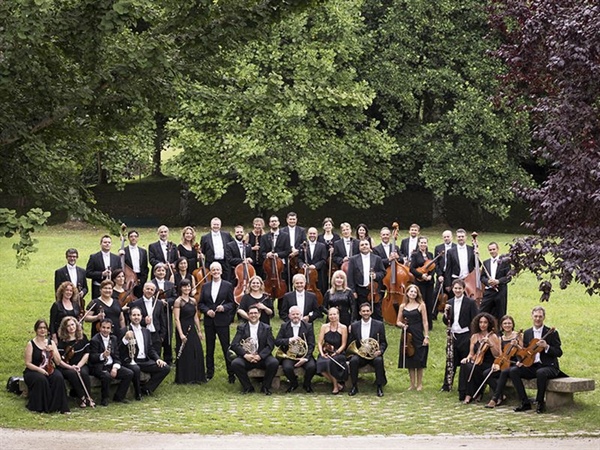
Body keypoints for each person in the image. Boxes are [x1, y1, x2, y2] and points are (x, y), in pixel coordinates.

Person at [509, 306, 564, 414]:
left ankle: (540, 402)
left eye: (540, 316)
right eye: (535, 316)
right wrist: (521, 360)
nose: (537, 319)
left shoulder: (551, 333)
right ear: (532, 317)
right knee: (513, 371)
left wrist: (547, 347)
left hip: (549, 366)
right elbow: (525, 351)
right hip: (532, 365)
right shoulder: (528, 333)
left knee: (541, 372)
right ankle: (525, 402)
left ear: (544, 317)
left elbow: (559, 352)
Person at [119, 307, 171, 398]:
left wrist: (158, 359)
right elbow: (119, 349)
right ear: (130, 317)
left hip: (145, 361)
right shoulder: (124, 331)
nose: (136, 317)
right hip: (132, 360)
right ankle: (138, 394)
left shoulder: (146, 331)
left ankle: (147, 388)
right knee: (136, 369)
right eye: (134, 315)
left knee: (165, 368)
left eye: (138, 315)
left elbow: (150, 349)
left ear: (141, 316)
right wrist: (125, 339)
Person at [198, 262, 236, 383]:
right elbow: (201, 304)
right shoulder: (205, 286)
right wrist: (207, 311)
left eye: (217, 270)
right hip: (209, 321)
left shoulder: (228, 285)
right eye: (213, 270)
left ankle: (231, 374)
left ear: (221, 271)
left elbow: (232, 303)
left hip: (222, 321)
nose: (215, 272)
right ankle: (209, 373)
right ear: (210, 272)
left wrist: (223, 308)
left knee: (226, 348)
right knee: (210, 348)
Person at [23, 319, 70, 414]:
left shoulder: (51, 343)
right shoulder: (31, 344)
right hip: (34, 370)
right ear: (36, 330)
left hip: (49, 367)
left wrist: (53, 350)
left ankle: (57, 406)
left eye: (44, 328)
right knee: (41, 380)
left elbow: (57, 361)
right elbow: (28, 363)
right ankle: (41, 407)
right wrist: (39, 370)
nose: (42, 330)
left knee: (58, 377)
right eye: (40, 328)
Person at [230, 305, 279, 395]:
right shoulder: (242, 328)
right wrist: (245, 355)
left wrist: (260, 356)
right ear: (248, 315)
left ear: (259, 314)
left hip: (262, 357)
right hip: (247, 357)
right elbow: (234, 344)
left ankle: (265, 387)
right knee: (235, 363)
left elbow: (270, 345)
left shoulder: (266, 328)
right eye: (251, 313)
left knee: (274, 363)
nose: (253, 315)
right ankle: (248, 387)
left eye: (255, 313)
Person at [440, 279, 479, 393]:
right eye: (455, 288)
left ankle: (465, 386)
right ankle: (447, 384)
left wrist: (472, 336)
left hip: (465, 334)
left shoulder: (470, 302)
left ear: (463, 289)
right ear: (452, 289)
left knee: (465, 361)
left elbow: (475, 319)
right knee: (450, 359)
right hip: (453, 334)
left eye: (459, 288)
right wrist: (445, 313)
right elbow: (445, 321)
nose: (457, 290)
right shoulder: (450, 302)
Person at [89, 318, 134, 406]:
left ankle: (119, 396)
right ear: (100, 328)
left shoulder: (113, 338)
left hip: (111, 365)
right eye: (103, 327)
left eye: (108, 328)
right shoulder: (95, 340)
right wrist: (102, 355)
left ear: (111, 329)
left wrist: (115, 367)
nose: (105, 330)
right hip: (99, 366)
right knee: (106, 376)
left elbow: (117, 355)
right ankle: (104, 398)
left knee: (129, 373)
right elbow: (92, 357)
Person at [459, 313, 501, 404]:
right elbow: (471, 353)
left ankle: (471, 394)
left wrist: (490, 344)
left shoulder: (493, 336)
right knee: (465, 365)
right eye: (481, 322)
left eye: (485, 322)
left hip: (488, 363)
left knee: (474, 368)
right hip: (477, 360)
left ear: (489, 324)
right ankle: (466, 393)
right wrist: (467, 358)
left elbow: (497, 355)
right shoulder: (474, 336)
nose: (483, 325)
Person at [347, 302, 387, 397]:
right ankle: (354, 386)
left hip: (373, 355)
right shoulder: (354, 325)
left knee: (379, 361)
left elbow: (383, 342)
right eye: (363, 311)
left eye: (367, 311)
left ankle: (379, 387)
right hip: (361, 355)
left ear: (371, 312)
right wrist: (355, 352)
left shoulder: (379, 325)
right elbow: (351, 341)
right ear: (360, 313)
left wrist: (380, 351)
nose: (366, 313)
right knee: (353, 361)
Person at [275, 306, 317, 393]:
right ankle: (294, 383)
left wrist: (305, 358)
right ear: (289, 316)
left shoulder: (308, 326)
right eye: (293, 314)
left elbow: (311, 344)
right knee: (287, 368)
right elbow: (277, 341)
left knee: (312, 367)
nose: (295, 316)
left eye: (297, 314)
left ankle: (307, 384)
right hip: (289, 355)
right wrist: (289, 340)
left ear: (301, 315)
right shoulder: (284, 326)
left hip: (304, 355)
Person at [484, 315, 523, 409]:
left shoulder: (519, 335)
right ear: (501, 326)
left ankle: (495, 398)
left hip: (516, 364)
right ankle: (501, 395)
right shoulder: (501, 338)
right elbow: (501, 355)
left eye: (509, 323)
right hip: (505, 362)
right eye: (505, 323)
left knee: (504, 372)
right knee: (487, 373)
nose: (507, 325)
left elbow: (523, 352)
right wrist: (496, 364)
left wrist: (517, 346)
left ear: (513, 324)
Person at [396, 284, 429, 391]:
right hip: (407, 334)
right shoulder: (403, 306)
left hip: (418, 333)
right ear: (407, 293)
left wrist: (426, 336)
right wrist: (402, 325)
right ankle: (412, 384)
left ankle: (419, 384)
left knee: (419, 360)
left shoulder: (421, 305)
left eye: (415, 292)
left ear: (417, 294)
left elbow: (425, 322)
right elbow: (398, 321)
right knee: (409, 359)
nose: (413, 293)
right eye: (411, 291)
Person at [173, 280, 206, 384]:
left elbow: (196, 316)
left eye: (188, 287)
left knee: (197, 351)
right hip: (182, 327)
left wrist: (199, 331)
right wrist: (181, 334)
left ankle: (196, 377)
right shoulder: (178, 301)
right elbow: (177, 319)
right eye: (184, 287)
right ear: (181, 288)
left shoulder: (193, 300)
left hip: (192, 328)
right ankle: (184, 378)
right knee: (185, 353)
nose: (187, 289)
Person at [56, 317, 93, 408]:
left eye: (72, 324)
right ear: (65, 328)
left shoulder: (82, 337)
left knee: (84, 373)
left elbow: (87, 353)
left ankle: (89, 396)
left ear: (76, 325)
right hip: (66, 366)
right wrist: (70, 367)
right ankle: (81, 397)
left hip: (81, 363)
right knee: (73, 374)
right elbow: (59, 360)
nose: (71, 327)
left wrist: (79, 365)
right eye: (68, 326)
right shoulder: (62, 342)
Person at [347, 239, 385, 321]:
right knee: (359, 311)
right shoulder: (353, 259)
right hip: (359, 289)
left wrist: (376, 275)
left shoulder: (377, 258)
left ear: (370, 246)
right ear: (359, 247)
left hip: (373, 290)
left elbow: (383, 272)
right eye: (362, 245)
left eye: (366, 244)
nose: (364, 246)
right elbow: (350, 276)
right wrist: (353, 291)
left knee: (376, 312)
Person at [129, 282, 168, 355]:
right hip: (142, 334)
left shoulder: (159, 303)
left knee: (157, 355)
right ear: (143, 290)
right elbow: (132, 319)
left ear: (154, 292)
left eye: (152, 289)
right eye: (147, 289)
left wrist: (162, 336)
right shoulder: (136, 303)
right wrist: (143, 321)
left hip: (156, 335)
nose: (149, 291)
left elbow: (162, 320)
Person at [316, 307, 348, 394]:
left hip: (338, 353)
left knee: (331, 363)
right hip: (326, 352)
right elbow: (319, 342)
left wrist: (337, 352)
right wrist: (322, 353)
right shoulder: (324, 327)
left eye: (334, 314)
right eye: (330, 314)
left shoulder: (343, 327)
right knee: (320, 364)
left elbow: (343, 344)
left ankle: (335, 387)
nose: (332, 316)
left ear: (338, 315)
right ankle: (337, 384)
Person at [150, 263, 176, 363]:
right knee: (157, 333)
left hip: (166, 312)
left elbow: (174, 297)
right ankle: (156, 357)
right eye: (158, 270)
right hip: (155, 313)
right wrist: (159, 302)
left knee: (168, 334)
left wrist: (167, 302)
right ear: (154, 272)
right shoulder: (150, 283)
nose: (161, 272)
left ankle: (168, 358)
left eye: (163, 271)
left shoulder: (170, 284)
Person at [480, 242, 512, 323]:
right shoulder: (485, 262)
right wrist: (488, 281)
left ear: (497, 249)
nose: (492, 251)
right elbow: (482, 277)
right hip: (489, 291)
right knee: (482, 312)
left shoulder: (505, 262)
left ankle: (500, 331)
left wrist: (498, 281)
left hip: (500, 291)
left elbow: (508, 277)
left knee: (500, 313)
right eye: (490, 250)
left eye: (494, 249)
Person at [409, 236, 435, 330]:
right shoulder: (415, 255)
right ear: (418, 244)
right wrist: (421, 275)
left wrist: (431, 275)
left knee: (429, 302)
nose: (423, 244)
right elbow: (411, 269)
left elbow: (433, 267)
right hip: (420, 282)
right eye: (421, 242)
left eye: (425, 242)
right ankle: (420, 323)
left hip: (429, 282)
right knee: (421, 302)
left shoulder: (430, 254)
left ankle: (429, 324)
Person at [85, 235, 122, 299]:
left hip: (113, 289)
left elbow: (119, 273)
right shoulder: (94, 257)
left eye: (109, 242)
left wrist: (112, 274)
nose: (107, 244)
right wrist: (101, 274)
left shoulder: (116, 258)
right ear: (101, 244)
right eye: (105, 242)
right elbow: (88, 273)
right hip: (98, 288)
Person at [298, 226, 328, 295]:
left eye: (314, 233)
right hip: (306, 274)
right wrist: (302, 265)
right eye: (310, 233)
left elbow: (324, 260)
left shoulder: (322, 246)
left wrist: (315, 266)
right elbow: (299, 259)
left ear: (317, 234)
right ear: (307, 234)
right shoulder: (302, 246)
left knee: (319, 291)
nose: (312, 235)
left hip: (318, 274)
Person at [433, 230, 455, 319]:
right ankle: (433, 314)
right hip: (442, 273)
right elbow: (436, 263)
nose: (446, 238)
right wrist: (439, 275)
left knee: (451, 294)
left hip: (452, 274)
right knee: (436, 294)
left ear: (451, 237)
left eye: (448, 236)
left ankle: (451, 314)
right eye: (445, 237)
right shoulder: (438, 248)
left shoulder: (456, 247)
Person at [281, 212, 306, 285]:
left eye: (294, 219)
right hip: (287, 256)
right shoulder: (282, 231)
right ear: (287, 220)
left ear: (296, 220)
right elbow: (281, 243)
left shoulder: (302, 230)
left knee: (298, 278)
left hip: (298, 257)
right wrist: (291, 249)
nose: (292, 221)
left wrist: (297, 251)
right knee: (287, 278)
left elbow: (304, 242)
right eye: (290, 219)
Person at [123, 229, 149, 298]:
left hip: (140, 277)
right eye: (131, 236)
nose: (133, 238)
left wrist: (143, 279)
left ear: (137, 238)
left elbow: (145, 267)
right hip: (128, 278)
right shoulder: (124, 251)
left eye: (135, 236)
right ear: (128, 238)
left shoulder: (143, 251)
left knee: (139, 297)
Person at [317, 217, 341, 292]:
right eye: (326, 225)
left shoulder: (336, 237)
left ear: (332, 226)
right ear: (323, 227)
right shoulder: (320, 237)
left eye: (329, 225)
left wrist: (334, 250)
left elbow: (339, 248)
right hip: (323, 261)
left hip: (333, 262)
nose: (328, 226)